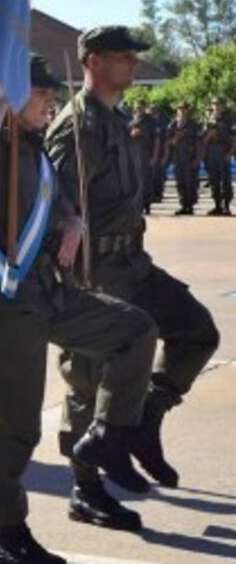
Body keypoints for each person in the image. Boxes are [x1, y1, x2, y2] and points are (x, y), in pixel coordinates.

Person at [0, 60, 157, 564]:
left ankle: (107, 438)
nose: (51, 102)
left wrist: (71, 219)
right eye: (41, 94)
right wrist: (3, 88)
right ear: (15, 95)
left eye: (50, 94)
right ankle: (8, 534)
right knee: (15, 425)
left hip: (52, 289)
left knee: (134, 331)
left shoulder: (35, 147)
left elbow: (57, 198)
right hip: (9, 301)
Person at [47, 26, 220, 530]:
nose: (134, 64)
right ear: (93, 62)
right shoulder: (77, 127)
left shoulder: (116, 119)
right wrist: (70, 267)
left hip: (133, 262)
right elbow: (54, 199)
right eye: (124, 56)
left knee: (196, 331)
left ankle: (143, 420)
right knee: (89, 377)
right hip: (95, 269)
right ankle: (86, 488)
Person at [165, 102, 201, 215]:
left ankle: (190, 205)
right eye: (179, 109)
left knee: (190, 182)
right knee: (179, 182)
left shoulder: (193, 125)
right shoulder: (172, 125)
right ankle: (183, 204)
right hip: (177, 158)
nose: (181, 111)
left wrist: (197, 158)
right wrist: (175, 138)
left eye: (184, 109)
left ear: (188, 110)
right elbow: (168, 143)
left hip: (190, 158)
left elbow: (198, 143)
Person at [128, 100, 161, 215]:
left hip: (145, 154)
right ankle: (137, 205)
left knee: (145, 180)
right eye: (137, 107)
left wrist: (154, 156)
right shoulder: (132, 121)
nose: (139, 109)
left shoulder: (150, 121)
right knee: (134, 181)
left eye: (141, 107)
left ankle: (146, 205)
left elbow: (157, 140)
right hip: (133, 154)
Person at [202, 97, 233, 216]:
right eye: (214, 104)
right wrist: (209, 135)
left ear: (224, 106)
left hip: (224, 152)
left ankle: (226, 206)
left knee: (226, 180)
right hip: (211, 153)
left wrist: (231, 152)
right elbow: (202, 139)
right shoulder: (208, 119)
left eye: (219, 104)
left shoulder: (230, 119)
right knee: (213, 180)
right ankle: (217, 205)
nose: (216, 107)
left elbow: (234, 137)